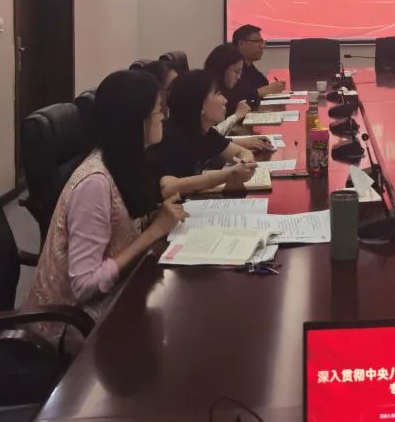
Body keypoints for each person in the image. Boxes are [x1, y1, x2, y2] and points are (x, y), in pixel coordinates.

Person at [24, 70, 185, 348]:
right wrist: (153, 232)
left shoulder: (127, 162)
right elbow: (84, 285)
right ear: (135, 120)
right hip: (67, 328)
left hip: (116, 297)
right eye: (159, 111)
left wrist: (156, 218)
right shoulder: (95, 183)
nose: (164, 117)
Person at [152, 69, 263, 198]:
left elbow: (240, 152)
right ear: (200, 103)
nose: (225, 100)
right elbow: (170, 188)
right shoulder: (171, 139)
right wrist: (229, 174)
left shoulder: (205, 132)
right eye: (218, 94)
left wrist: (245, 164)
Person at [205, 42, 254, 131]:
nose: (238, 77)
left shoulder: (229, 90)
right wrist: (237, 115)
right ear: (222, 69)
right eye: (236, 72)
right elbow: (211, 133)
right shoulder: (207, 93)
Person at [232, 24, 286, 100]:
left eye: (262, 42)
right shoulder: (230, 66)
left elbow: (263, 83)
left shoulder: (250, 68)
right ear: (241, 44)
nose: (262, 46)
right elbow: (234, 97)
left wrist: (272, 87)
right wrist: (264, 91)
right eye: (257, 41)